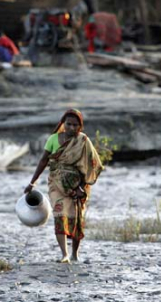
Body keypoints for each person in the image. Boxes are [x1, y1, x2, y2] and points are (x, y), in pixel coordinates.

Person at [24, 109, 105, 263]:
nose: (72, 128)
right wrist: (32, 182)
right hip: (56, 184)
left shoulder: (83, 141)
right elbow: (43, 161)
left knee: (76, 219)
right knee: (59, 215)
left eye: (76, 125)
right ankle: (64, 254)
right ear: (63, 124)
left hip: (77, 186)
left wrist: (81, 187)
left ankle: (75, 254)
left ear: (80, 126)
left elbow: (92, 165)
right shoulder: (53, 139)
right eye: (69, 124)